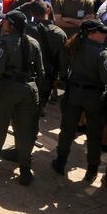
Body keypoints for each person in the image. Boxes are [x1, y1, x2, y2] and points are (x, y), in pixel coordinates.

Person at [0, 10, 44, 185]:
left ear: (11, 24)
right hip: (30, 89)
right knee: (26, 130)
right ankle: (25, 169)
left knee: (1, 126)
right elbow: (41, 72)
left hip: (9, 88)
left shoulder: (5, 42)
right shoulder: (34, 42)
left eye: (5, 20)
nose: (2, 23)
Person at [50, 19, 107, 183]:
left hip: (73, 93)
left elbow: (63, 70)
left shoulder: (72, 46)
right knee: (94, 135)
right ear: (91, 33)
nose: (104, 35)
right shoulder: (102, 53)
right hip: (94, 97)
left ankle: (60, 163)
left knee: (67, 130)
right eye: (101, 32)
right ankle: (92, 171)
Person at [23, 0, 67, 113]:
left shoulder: (26, 28)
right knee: (39, 104)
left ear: (31, 13)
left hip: (27, 72)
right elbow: (63, 59)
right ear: (48, 10)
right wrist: (62, 76)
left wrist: (26, 5)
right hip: (48, 74)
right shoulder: (59, 33)